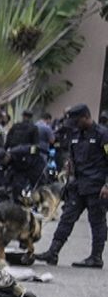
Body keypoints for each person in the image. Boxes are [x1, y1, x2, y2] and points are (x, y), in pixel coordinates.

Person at [38, 104, 108, 268]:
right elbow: (73, 155)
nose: (74, 125)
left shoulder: (102, 135)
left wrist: (107, 184)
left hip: (96, 187)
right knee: (66, 218)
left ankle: (96, 257)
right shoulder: (76, 134)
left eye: (77, 121)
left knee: (97, 222)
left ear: (85, 117)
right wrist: (69, 167)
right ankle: (53, 252)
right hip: (77, 185)